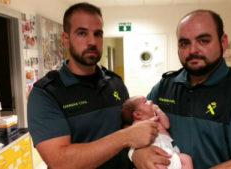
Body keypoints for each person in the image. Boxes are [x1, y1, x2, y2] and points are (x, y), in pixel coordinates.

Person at [132, 9, 231, 169]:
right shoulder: (165, 87)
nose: (193, 50)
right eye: (184, 43)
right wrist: (137, 152)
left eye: (203, 41)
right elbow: (135, 123)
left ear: (223, 42)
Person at [27, 3, 159, 169]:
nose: (92, 41)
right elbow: (60, 161)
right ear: (66, 39)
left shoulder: (115, 83)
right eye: (82, 33)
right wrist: (125, 137)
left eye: (98, 34)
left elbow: (128, 127)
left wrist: (138, 152)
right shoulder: (46, 94)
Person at [122, 96, 193, 169]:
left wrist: (158, 110)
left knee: (187, 159)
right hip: (154, 153)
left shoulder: (158, 118)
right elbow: (133, 135)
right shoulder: (137, 123)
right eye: (146, 102)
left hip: (169, 152)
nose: (151, 101)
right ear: (137, 114)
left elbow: (167, 125)